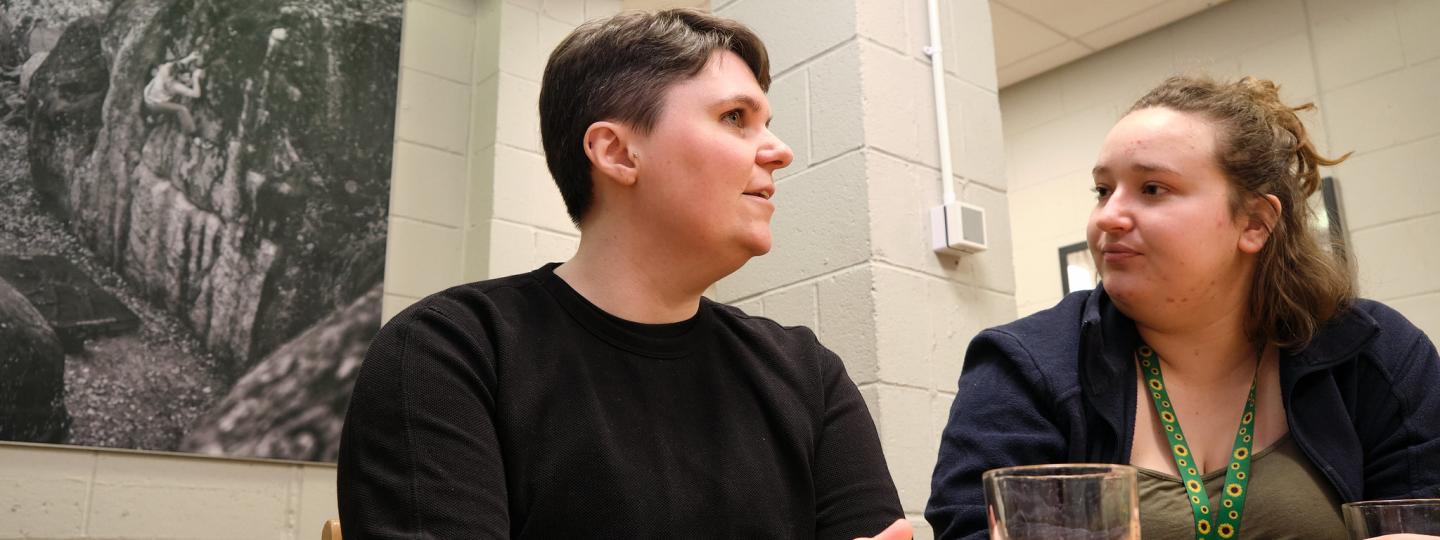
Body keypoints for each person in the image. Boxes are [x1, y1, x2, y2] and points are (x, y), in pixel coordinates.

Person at [338, 9, 909, 540]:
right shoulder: (450, 353)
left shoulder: (808, 375)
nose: (780, 152)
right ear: (616, 152)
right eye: (735, 117)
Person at [926, 75, 1440, 540]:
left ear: (1255, 223)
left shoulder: (1375, 353)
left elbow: (1421, 515)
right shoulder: (1024, 367)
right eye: (1103, 190)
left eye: (1153, 189)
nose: (1109, 216)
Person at [143, 51, 206, 144]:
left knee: (161, 99)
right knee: (182, 109)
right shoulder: (175, 86)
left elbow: (178, 64)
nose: (188, 79)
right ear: (178, 76)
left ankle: (151, 119)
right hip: (154, 104)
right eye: (185, 77)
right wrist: (195, 78)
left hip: (148, 96)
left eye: (188, 76)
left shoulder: (166, 67)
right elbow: (196, 94)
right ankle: (195, 136)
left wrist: (190, 57)